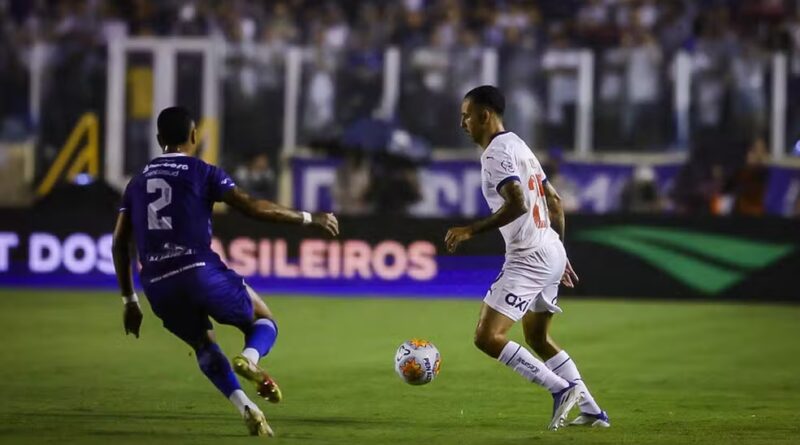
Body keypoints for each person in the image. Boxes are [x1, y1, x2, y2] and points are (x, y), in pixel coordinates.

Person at [111, 107, 339, 436]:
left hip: (157, 284)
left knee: (204, 345)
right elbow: (252, 206)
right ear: (193, 137)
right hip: (200, 271)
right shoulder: (203, 171)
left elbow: (119, 243)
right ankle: (250, 358)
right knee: (263, 320)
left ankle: (247, 407)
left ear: (159, 139)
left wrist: (129, 301)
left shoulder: (136, 183)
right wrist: (307, 218)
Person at [445, 86, 609, 430]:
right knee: (536, 338)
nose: (463, 123)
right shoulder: (518, 144)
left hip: (528, 257)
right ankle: (593, 411)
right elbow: (555, 201)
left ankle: (560, 389)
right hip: (549, 248)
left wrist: (469, 231)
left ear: (485, 115)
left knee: (487, 337)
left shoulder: (495, 154)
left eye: (466, 115)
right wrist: (560, 252)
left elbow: (517, 202)